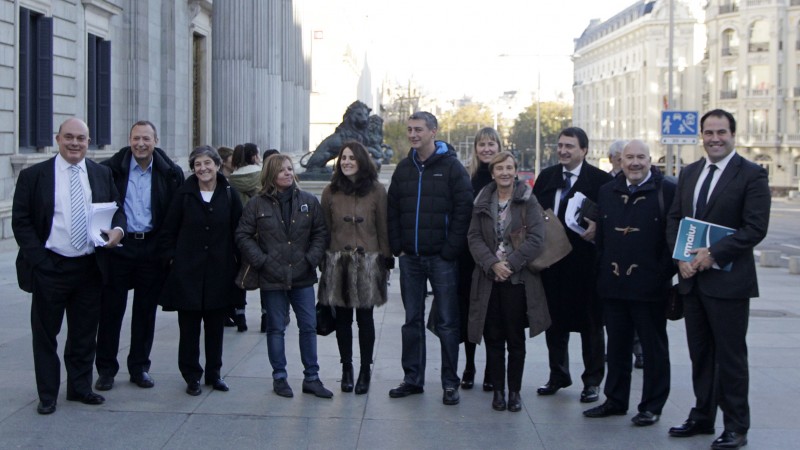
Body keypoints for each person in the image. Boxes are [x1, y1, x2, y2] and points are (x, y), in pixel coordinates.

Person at [665, 109, 770, 450]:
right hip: (692, 281)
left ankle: (736, 426)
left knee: (731, 357)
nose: (714, 138)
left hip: (729, 283)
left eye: (721, 132)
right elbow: (676, 218)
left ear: (733, 134)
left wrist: (713, 254)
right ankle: (702, 416)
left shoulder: (752, 174)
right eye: (708, 132)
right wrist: (680, 256)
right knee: (700, 354)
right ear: (701, 136)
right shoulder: (691, 172)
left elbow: (755, 228)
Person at [12, 118, 125, 414]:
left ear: (89, 142)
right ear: (57, 139)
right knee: (46, 334)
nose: (75, 143)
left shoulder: (101, 174)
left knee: (84, 333)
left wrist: (118, 232)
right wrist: (41, 261)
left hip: (89, 267)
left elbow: (117, 212)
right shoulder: (34, 175)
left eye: (81, 138)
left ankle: (79, 388)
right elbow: (21, 222)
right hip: (51, 267)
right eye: (69, 137)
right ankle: (48, 394)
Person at [583, 140, 675, 426]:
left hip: (650, 286)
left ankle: (651, 405)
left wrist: (661, 273)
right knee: (617, 348)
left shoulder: (667, 189)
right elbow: (602, 237)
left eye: (641, 157)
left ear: (650, 160)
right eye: (629, 158)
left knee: (653, 349)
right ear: (619, 161)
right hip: (613, 284)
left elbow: (674, 235)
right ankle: (615, 400)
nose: (635, 163)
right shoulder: (607, 191)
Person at [386, 111, 473, 406]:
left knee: (448, 322)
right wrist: (398, 245)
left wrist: (450, 250)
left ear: (433, 131)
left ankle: (450, 383)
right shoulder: (403, 169)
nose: (413, 134)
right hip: (410, 258)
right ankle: (412, 379)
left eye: (419, 129)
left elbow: (464, 211)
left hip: (442, 259)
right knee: (412, 321)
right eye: (410, 129)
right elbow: (393, 209)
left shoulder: (452, 168)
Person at [95, 120, 184, 392]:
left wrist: (167, 251)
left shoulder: (170, 173)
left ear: (155, 141)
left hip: (151, 249)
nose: (140, 144)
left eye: (146, 138)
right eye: (136, 138)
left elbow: (174, 215)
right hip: (119, 248)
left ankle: (139, 367)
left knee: (145, 313)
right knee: (111, 311)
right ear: (129, 139)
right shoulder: (110, 170)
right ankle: (106, 370)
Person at [235, 154, 333, 399]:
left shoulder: (308, 201)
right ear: (271, 175)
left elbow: (320, 232)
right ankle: (280, 377)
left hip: (302, 275)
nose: (288, 173)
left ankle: (312, 377)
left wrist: (311, 258)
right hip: (272, 277)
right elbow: (242, 235)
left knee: (308, 327)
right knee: (276, 328)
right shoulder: (257, 204)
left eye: (290, 169)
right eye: (282, 170)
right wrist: (262, 261)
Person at [532, 127, 612, 403]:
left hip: (586, 266)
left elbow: (611, 221)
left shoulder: (600, 181)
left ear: (584, 150)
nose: (563, 151)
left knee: (591, 326)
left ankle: (592, 382)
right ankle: (558, 374)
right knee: (554, 324)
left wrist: (598, 230)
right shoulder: (547, 177)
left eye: (570, 146)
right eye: (560, 146)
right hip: (552, 264)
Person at [467, 151, 549, 412]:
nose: (504, 172)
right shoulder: (482, 201)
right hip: (489, 279)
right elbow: (474, 237)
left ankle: (514, 391)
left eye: (509, 168)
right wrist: (492, 263)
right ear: (492, 173)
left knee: (515, 338)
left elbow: (537, 238)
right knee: (493, 337)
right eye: (499, 168)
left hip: (517, 281)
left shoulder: (528, 200)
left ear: (516, 171)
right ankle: (498, 391)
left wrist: (510, 264)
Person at [159, 146, 242, 396]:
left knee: (216, 328)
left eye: (207, 163)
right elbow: (168, 231)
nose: (203, 169)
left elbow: (239, 232)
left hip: (220, 272)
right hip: (188, 273)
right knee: (189, 329)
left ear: (218, 165)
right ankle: (191, 375)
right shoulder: (183, 195)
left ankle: (214, 373)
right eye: (197, 164)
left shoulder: (230, 194)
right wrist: (172, 260)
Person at [318, 141, 391, 395]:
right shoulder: (330, 191)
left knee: (365, 319)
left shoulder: (377, 191)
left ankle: (365, 369)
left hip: (368, 262)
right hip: (337, 261)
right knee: (343, 321)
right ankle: (346, 368)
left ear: (361, 160)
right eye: (343, 158)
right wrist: (323, 259)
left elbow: (383, 227)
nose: (347, 162)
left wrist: (386, 258)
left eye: (351, 158)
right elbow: (325, 229)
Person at [460, 127, 501, 391]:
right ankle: (469, 365)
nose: (486, 148)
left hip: (498, 256)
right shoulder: (466, 177)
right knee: (469, 313)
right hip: (468, 256)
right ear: (475, 148)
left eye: (491, 144)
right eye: (482, 144)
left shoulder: (504, 175)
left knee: (493, 315)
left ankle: (490, 368)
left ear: (499, 147)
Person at [227, 143, 263, 332]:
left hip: (239, 231)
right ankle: (266, 314)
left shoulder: (231, 179)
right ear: (254, 156)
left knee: (239, 272)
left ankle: (239, 313)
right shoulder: (262, 176)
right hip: (261, 230)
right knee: (266, 272)